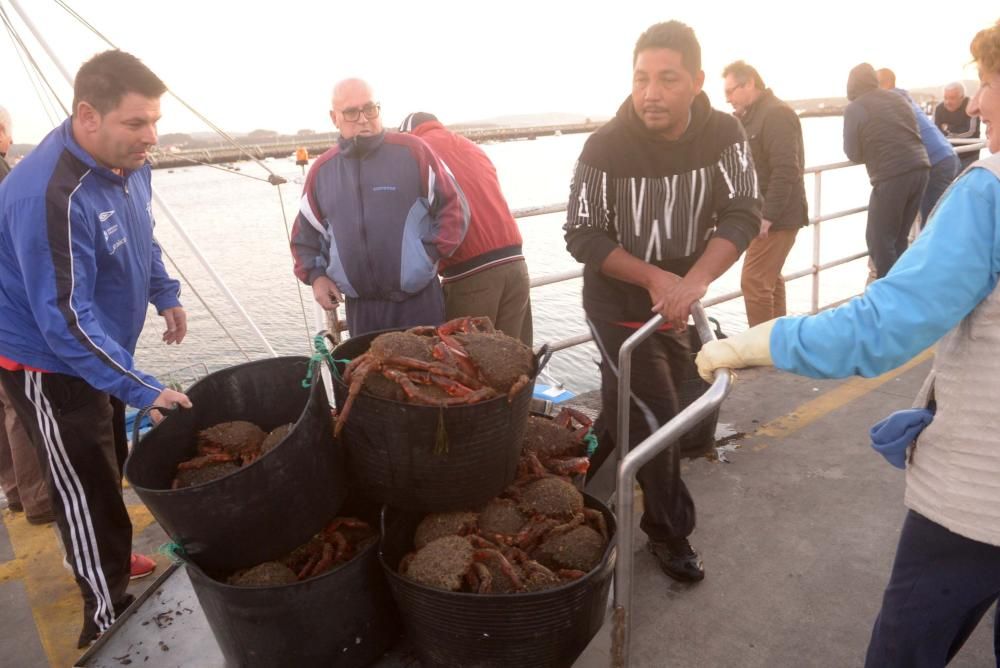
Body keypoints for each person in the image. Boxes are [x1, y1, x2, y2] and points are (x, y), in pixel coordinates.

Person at [696, 19, 1000, 666]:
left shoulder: (990, 195)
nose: (975, 103)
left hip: (979, 499)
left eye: (989, 82)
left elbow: (881, 329)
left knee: (901, 652)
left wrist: (758, 344)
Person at [0, 50, 192, 649]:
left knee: (108, 462)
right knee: (83, 485)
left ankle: (106, 555)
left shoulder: (131, 165)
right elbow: (63, 321)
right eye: (136, 123)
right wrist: (141, 386)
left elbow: (142, 232)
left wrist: (164, 293)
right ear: (88, 116)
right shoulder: (49, 193)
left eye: (154, 121)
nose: (150, 137)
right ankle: (103, 613)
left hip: (101, 346)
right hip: (47, 362)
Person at [564, 21, 760, 583]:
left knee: (627, 403)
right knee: (657, 415)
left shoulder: (724, 134)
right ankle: (670, 533)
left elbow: (743, 209)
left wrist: (691, 282)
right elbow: (582, 233)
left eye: (667, 79)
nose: (650, 92)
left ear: (697, 81)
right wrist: (655, 279)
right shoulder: (604, 146)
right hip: (616, 304)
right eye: (641, 78)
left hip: (680, 302)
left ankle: (576, 473)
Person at [290, 79, 469, 337]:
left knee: (427, 375)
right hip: (362, 311)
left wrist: (425, 256)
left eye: (370, 109)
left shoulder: (414, 151)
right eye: (352, 112)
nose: (363, 119)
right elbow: (305, 236)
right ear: (334, 118)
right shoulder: (321, 172)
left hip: (418, 303)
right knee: (368, 377)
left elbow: (454, 210)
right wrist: (317, 276)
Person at [398, 112, 532, 345]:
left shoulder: (417, 151)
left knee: (468, 366)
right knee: (515, 359)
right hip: (515, 264)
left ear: (408, 135)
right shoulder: (471, 146)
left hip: (469, 272)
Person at [722, 61, 808, 326]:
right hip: (767, 214)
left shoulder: (776, 114)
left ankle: (761, 353)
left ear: (749, 83)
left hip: (776, 217)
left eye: (731, 91)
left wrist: (767, 217)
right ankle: (777, 343)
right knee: (770, 279)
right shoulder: (751, 117)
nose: (727, 99)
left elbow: (786, 169)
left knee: (754, 281)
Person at [0, 106, 54, 524]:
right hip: (10, 323)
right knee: (20, 411)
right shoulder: (7, 180)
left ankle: (16, 489)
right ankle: (38, 500)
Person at [844, 63, 930, 279]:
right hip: (920, 167)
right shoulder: (896, 98)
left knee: (878, 239)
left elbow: (853, 153)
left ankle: (887, 294)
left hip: (893, 174)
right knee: (900, 237)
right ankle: (901, 289)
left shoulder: (856, 107)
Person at [876, 68, 960, 231]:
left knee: (931, 223)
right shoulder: (902, 97)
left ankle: (936, 255)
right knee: (936, 217)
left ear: (885, 83)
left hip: (937, 163)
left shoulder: (891, 101)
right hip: (946, 156)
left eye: (875, 84)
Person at [935, 81, 983, 170]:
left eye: (952, 98)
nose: (947, 102)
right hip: (947, 155)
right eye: (945, 98)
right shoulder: (939, 108)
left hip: (969, 154)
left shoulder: (971, 106)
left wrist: (948, 128)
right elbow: (935, 133)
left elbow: (970, 132)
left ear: (962, 97)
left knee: (967, 182)